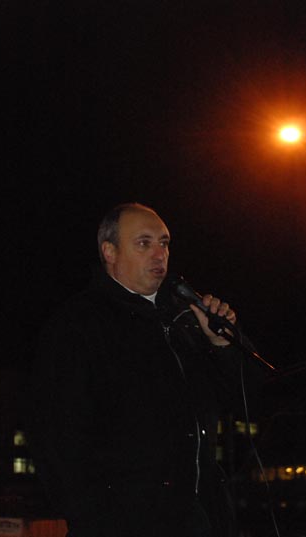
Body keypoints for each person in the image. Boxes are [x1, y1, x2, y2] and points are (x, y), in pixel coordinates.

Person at [30, 203, 259, 537]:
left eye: (164, 243)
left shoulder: (185, 320)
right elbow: (57, 437)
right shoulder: (78, 325)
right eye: (144, 243)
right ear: (109, 251)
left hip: (198, 520)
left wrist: (223, 344)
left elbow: (247, 397)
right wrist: (94, 518)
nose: (159, 254)